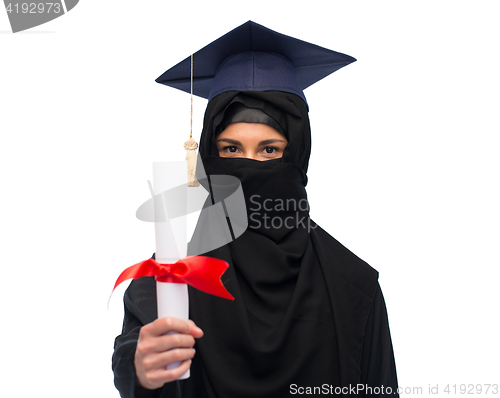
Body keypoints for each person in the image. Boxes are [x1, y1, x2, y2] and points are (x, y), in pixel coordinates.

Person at [112, 21, 398, 398]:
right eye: (231, 150)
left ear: (297, 155)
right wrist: (140, 369)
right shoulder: (169, 279)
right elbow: (136, 360)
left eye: (269, 150)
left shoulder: (353, 287)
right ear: (209, 159)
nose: (250, 167)